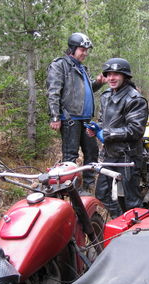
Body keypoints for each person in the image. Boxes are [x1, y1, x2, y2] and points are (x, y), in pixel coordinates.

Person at [87, 58, 149, 218]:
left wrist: (106, 134)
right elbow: (103, 121)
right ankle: (120, 220)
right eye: (108, 74)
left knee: (132, 200)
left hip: (127, 156)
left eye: (116, 74)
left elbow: (136, 130)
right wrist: (97, 128)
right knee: (102, 193)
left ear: (125, 76)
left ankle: (137, 231)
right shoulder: (106, 95)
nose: (111, 78)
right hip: (109, 155)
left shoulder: (135, 99)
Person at [46, 32, 106, 194]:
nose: (85, 53)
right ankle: (68, 189)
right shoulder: (60, 65)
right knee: (70, 156)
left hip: (86, 119)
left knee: (92, 152)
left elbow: (84, 92)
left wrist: (98, 83)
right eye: (82, 49)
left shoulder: (81, 67)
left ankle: (87, 185)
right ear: (72, 49)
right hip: (70, 118)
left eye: (87, 50)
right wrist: (55, 116)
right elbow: (53, 92)